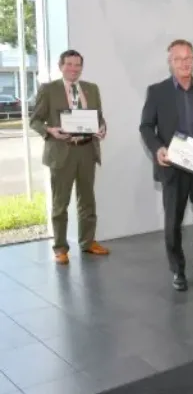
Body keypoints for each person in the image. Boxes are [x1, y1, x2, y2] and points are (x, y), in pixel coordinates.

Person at [139, 39, 193, 291]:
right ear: (170, 62)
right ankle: (177, 270)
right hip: (173, 167)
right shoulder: (157, 91)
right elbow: (146, 126)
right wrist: (158, 148)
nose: (184, 63)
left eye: (188, 58)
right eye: (178, 59)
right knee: (173, 222)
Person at [30, 50, 110, 264]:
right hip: (61, 151)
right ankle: (60, 248)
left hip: (86, 150)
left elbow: (98, 117)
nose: (74, 69)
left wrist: (102, 128)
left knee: (87, 200)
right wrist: (50, 131)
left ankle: (88, 242)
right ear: (61, 66)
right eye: (69, 64)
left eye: (77, 65)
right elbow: (35, 120)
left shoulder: (91, 88)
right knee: (60, 203)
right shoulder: (49, 89)